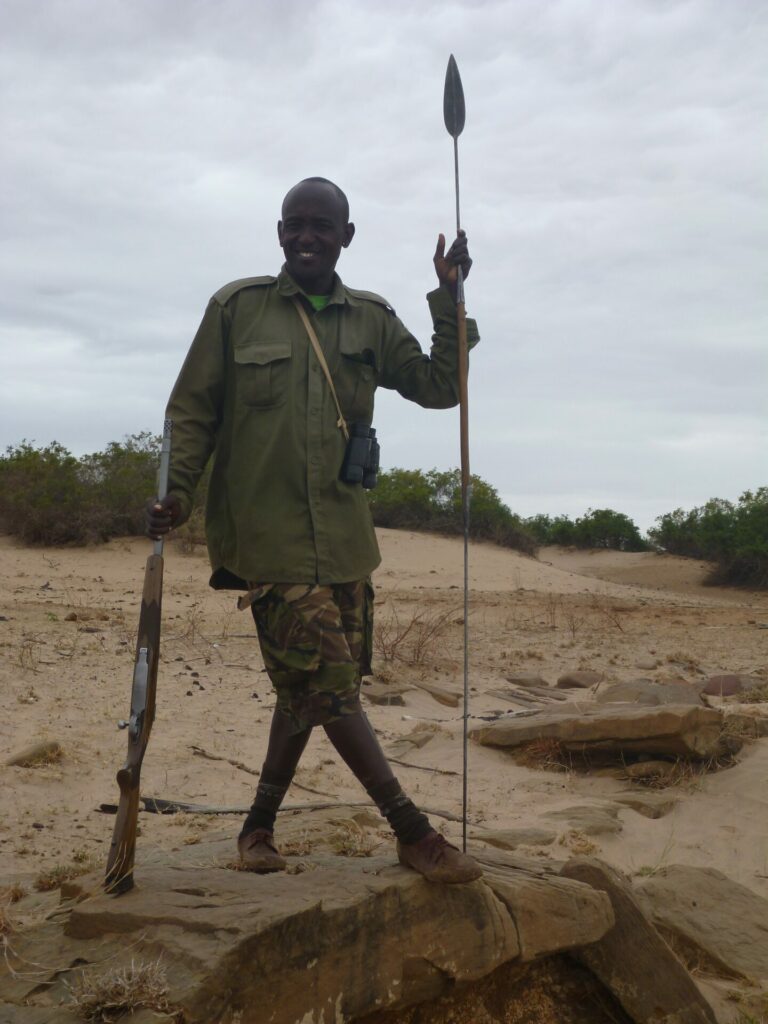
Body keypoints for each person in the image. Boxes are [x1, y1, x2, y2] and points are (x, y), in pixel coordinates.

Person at [147, 177, 481, 883]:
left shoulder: (370, 319)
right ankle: (412, 831)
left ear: (345, 237)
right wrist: (175, 495)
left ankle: (257, 826)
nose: (307, 237)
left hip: (346, 540)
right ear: (278, 232)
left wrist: (450, 300)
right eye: (295, 225)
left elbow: (440, 387)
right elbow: (192, 413)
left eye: (321, 227)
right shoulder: (237, 309)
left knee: (309, 693)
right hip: (266, 540)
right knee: (329, 689)